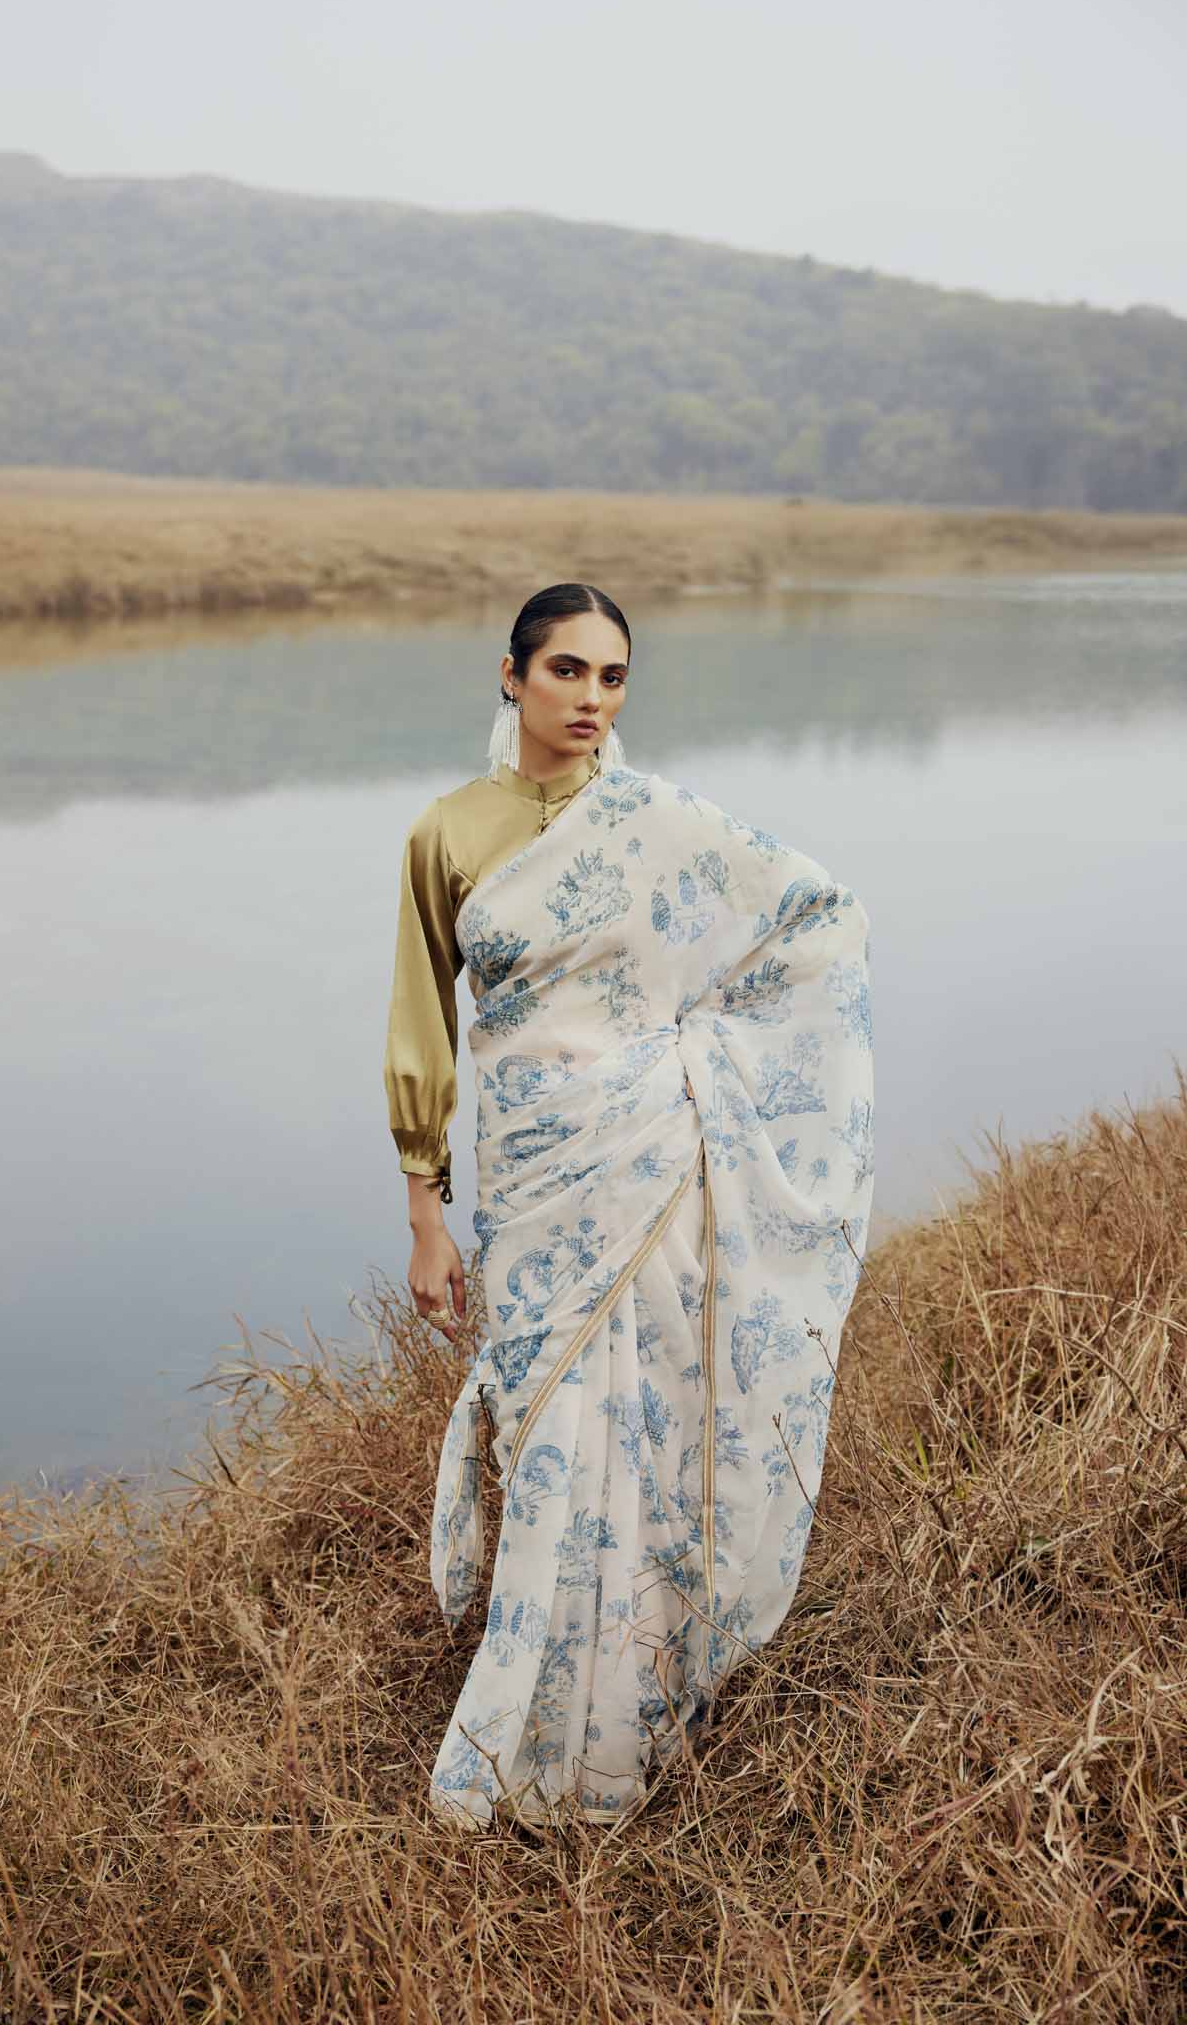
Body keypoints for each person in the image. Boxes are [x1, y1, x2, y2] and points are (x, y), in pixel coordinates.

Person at [382, 582, 875, 1829]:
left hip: (650, 1156)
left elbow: (815, 919)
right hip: (532, 1176)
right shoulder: (446, 832)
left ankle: (629, 1711)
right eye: (565, 670)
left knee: (646, 1425)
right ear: (509, 674)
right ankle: (530, 1713)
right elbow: (421, 1030)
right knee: (542, 1423)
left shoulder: (658, 822)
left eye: (611, 676)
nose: (590, 698)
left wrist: (695, 1064)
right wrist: (425, 1213)